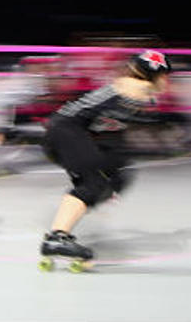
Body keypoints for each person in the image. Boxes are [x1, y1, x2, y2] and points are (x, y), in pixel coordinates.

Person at [38, 50, 172, 268]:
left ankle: (61, 233)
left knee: (116, 173)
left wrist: (115, 179)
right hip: (65, 130)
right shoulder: (136, 88)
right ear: (154, 76)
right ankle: (56, 238)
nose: (167, 83)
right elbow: (137, 89)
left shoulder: (133, 94)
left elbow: (114, 138)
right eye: (165, 77)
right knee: (94, 184)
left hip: (67, 132)